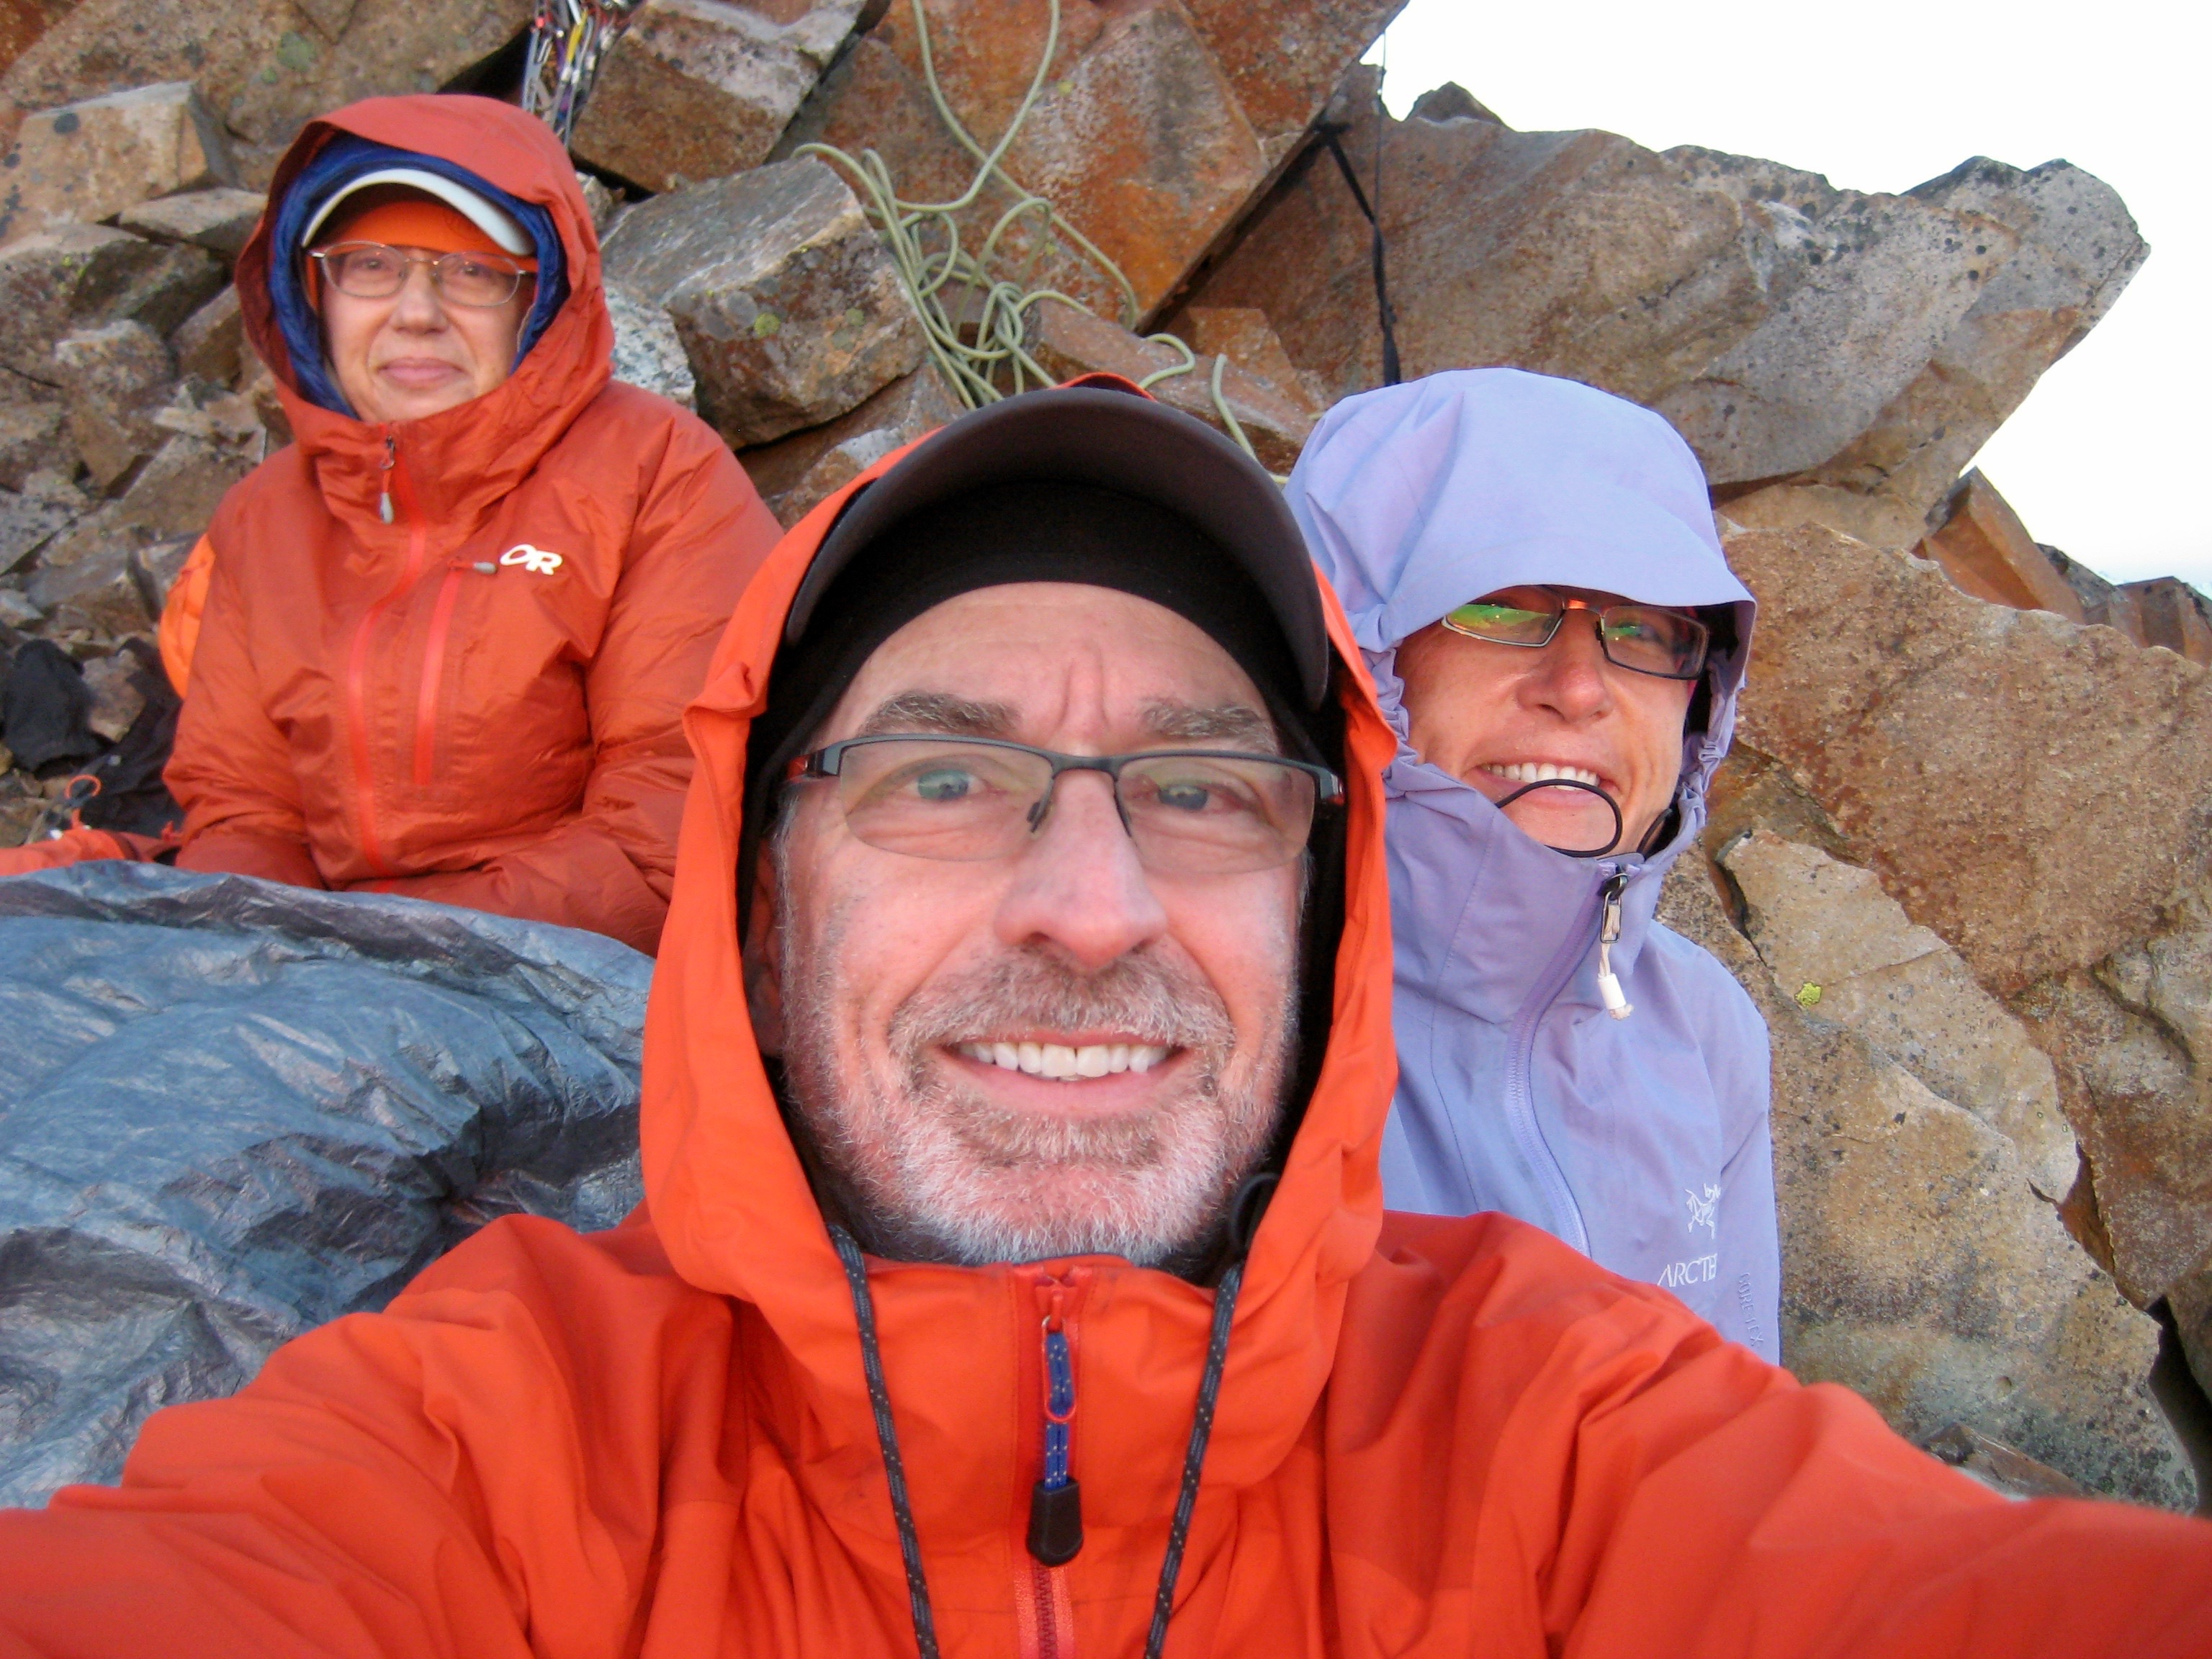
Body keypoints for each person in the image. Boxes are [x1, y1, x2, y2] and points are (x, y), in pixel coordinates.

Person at [1, 383, 2206, 1655]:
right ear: (760, 891)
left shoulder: (1542, 1416)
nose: (1084, 907)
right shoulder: (504, 1440)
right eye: (944, 773)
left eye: (1199, 787)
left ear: (1308, 870)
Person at [0, 93, 783, 954]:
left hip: (580, 977)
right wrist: (277, 961)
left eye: (473, 272)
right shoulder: (263, 518)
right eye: (370, 266)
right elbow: (245, 810)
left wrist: (366, 948)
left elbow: (670, 837)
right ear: (314, 294)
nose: (417, 311)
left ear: (540, 302)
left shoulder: (659, 475)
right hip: (328, 966)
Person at [1286, 368, 1781, 1357]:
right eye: (1502, 608)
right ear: (1361, 657)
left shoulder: (1704, 1027)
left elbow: (1733, 1430)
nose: (1580, 687)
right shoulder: (1236, 1001)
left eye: (1646, 629)